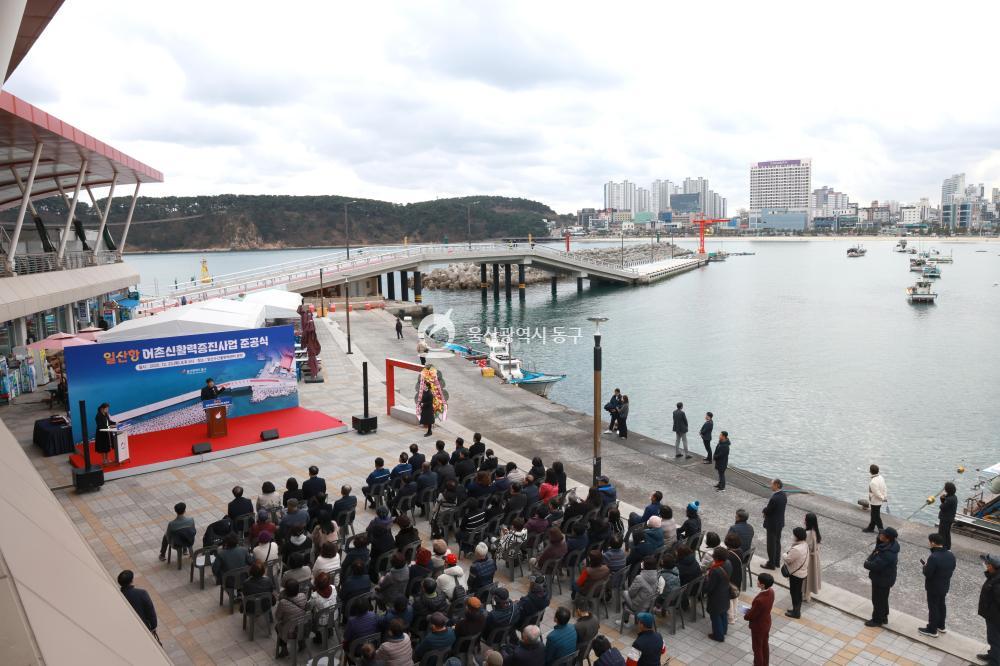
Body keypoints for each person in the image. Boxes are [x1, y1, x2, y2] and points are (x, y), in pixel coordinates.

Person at [919, 532, 956, 637]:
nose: (929, 544)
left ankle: (932, 629)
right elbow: (952, 567)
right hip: (945, 585)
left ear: (933, 543)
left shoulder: (934, 557)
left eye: (930, 542)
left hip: (933, 586)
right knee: (941, 605)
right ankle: (941, 626)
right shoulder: (950, 554)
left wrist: (925, 566)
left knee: (933, 607)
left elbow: (928, 573)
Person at [863, 526, 899, 627]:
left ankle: (877, 620)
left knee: (877, 599)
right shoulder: (889, 545)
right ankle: (884, 617)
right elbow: (875, 553)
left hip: (882, 579)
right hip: (885, 577)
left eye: (882, 535)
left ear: (887, 538)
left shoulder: (887, 553)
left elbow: (875, 565)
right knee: (883, 598)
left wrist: (866, 563)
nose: (879, 535)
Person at [745, 572, 775, 666]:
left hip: (758, 626)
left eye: (758, 580)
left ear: (762, 585)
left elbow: (751, 615)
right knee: (764, 645)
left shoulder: (760, 601)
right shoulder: (771, 592)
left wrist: (746, 614)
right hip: (766, 623)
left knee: (757, 648)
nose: (757, 581)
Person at [118, 570, 158, 640]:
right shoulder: (141, 593)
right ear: (131, 581)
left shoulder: (117, 595)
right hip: (142, 626)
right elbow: (150, 611)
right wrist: (153, 626)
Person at [705, 547, 733, 641]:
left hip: (716, 597)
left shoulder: (715, 570)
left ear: (716, 557)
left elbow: (710, 587)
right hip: (725, 593)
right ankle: (724, 630)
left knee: (715, 616)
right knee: (723, 613)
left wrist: (706, 580)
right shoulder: (728, 563)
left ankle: (719, 636)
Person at [782, 527, 809, 618]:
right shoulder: (805, 544)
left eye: (794, 535)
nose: (792, 536)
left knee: (794, 593)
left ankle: (796, 612)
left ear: (797, 536)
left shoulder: (797, 549)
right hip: (802, 573)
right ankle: (796, 609)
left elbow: (788, 559)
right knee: (798, 592)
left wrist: (784, 554)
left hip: (796, 575)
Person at [978, 553, 1000, 665]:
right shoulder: (994, 576)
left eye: (987, 563)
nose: (985, 565)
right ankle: (992, 654)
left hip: (995, 617)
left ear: (991, 566)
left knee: (994, 639)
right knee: (993, 637)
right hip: (992, 614)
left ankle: (995, 662)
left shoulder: (998, 581)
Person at [761, 479, 787, 570]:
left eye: (772, 484)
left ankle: (771, 564)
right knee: (777, 543)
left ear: (777, 485)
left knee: (771, 544)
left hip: (772, 524)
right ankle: (776, 562)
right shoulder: (783, 495)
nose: (770, 486)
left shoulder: (774, 498)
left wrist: (764, 510)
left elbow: (768, 511)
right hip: (779, 523)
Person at [863, 464, 888, 533]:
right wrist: (884, 496)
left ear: (870, 471)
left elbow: (876, 493)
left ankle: (882, 530)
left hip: (875, 501)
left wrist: (882, 498)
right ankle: (871, 527)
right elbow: (885, 487)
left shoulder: (873, 482)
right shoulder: (881, 477)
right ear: (878, 471)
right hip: (879, 501)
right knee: (873, 514)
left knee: (876, 516)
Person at [804, 513, 822, 602]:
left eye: (805, 518)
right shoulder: (816, 532)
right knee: (811, 577)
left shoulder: (807, 534)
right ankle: (807, 595)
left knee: (806, 578)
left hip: (808, 559)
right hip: (814, 559)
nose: (804, 520)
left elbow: (804, 547)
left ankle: (804, 595)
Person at [938, 482, 958, 550]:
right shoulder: (954, 497)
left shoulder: (949, 499)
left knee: (942, 534)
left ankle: (942, 548)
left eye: (945, 488)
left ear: (947, 489)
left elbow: (942, 507)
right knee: (947, 534)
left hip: (945, 519)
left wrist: (942, 501)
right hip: (950, 518)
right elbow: (946, 503)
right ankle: (947, 547)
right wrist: (943, 499)